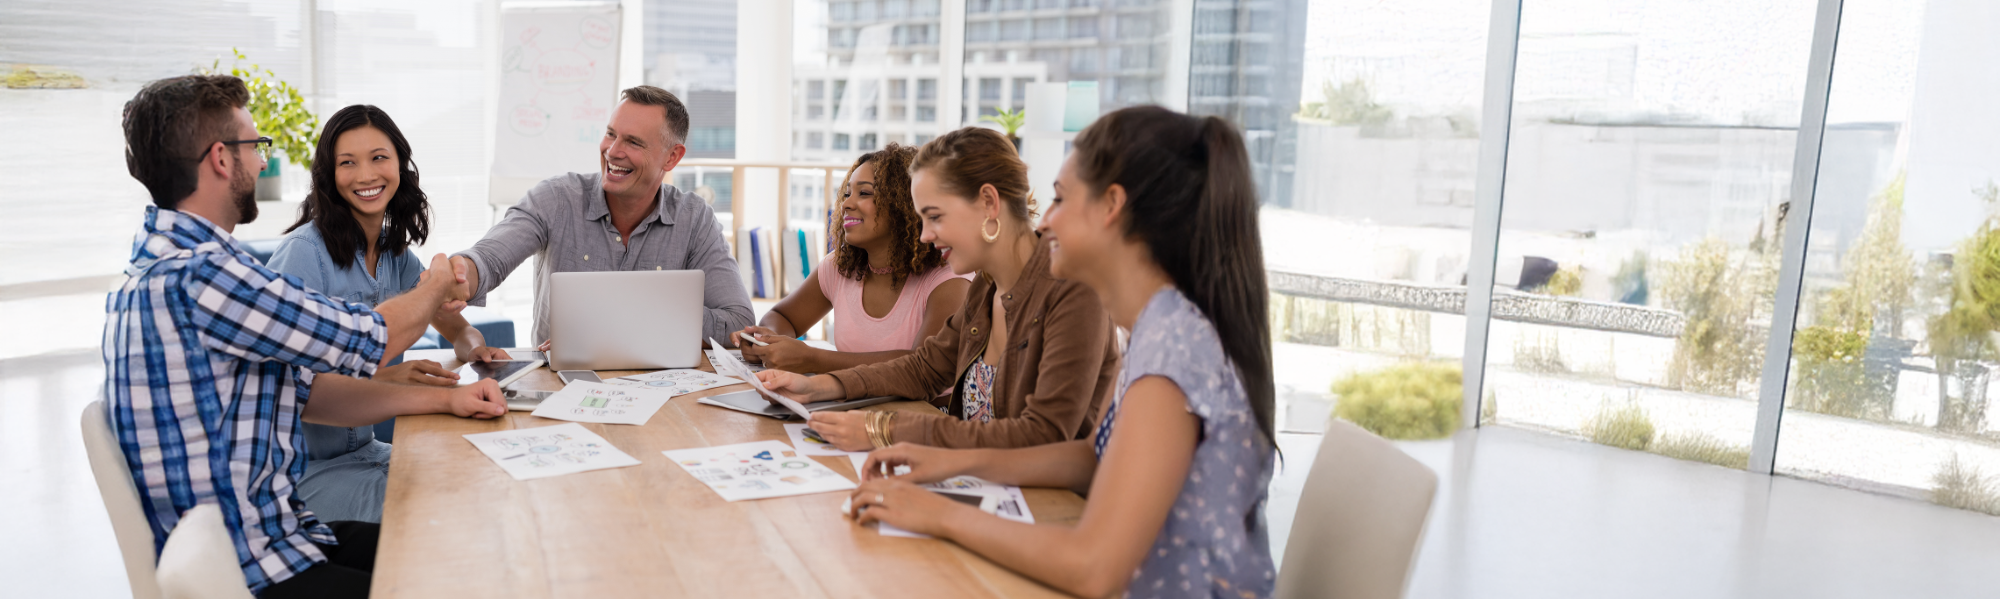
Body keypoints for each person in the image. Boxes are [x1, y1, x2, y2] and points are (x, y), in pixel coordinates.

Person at [843, 106, 1279, 598]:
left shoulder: (1173, 349)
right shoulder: (1160, 326)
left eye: (1060, 198)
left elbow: (1094, 570)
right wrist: (946, 462)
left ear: (1111, 205)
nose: (1045, 219)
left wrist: (937, 512)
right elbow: (1094, 459)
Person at [105, 74, 509, 599]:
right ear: (221, 159)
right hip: (253, 562)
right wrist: (435, 283)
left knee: (463, 549)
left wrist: (447, 399)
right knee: (465, 568)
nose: (262, 162)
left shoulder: (171, 266)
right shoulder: (204, 278)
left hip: (281, 534)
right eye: (255, 146)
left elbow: (307, 390)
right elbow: (368, 337)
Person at [756, 127, 1119, 452]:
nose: (925, 234)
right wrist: (816, 387)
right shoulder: (986, 286)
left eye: (935, 216)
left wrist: (888, 428)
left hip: (1044, 505)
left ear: (989, 204)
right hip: (977, 482)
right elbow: (924, 369)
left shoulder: (1073, 290)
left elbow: (1043, 435)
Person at [265, 104, 512, 524]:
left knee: (485, 481)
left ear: (400, 163)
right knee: (458, 514)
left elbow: (455, 326)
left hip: (368, 452)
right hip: (299, 477)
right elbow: (295, 391)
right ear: (329, 174)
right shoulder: (303, 255)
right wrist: (435, 395)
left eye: (379, 157)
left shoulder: (395, 255)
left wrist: (476, 349)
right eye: (348, 163)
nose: (366, 175)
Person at [449, 85, 753, 347]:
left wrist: (624, 323)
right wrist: (460, 272)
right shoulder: (556, 199)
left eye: (633, 142)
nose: (612, 151)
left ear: (672, 157)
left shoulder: (694, 218)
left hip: (663, 388)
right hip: (559, 383)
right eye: (611, 134)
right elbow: (489, 259)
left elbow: (737, 324)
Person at [737, 142, 971, 374]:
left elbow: (923, 368)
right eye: (847, 193)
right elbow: (781, 317)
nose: (846, 204)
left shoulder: (949, 279)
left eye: (865, 193)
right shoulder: (839, 266)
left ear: (905, 204)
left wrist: (812, 359)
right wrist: (768, 341)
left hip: (924, 410)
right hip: (851, 403)